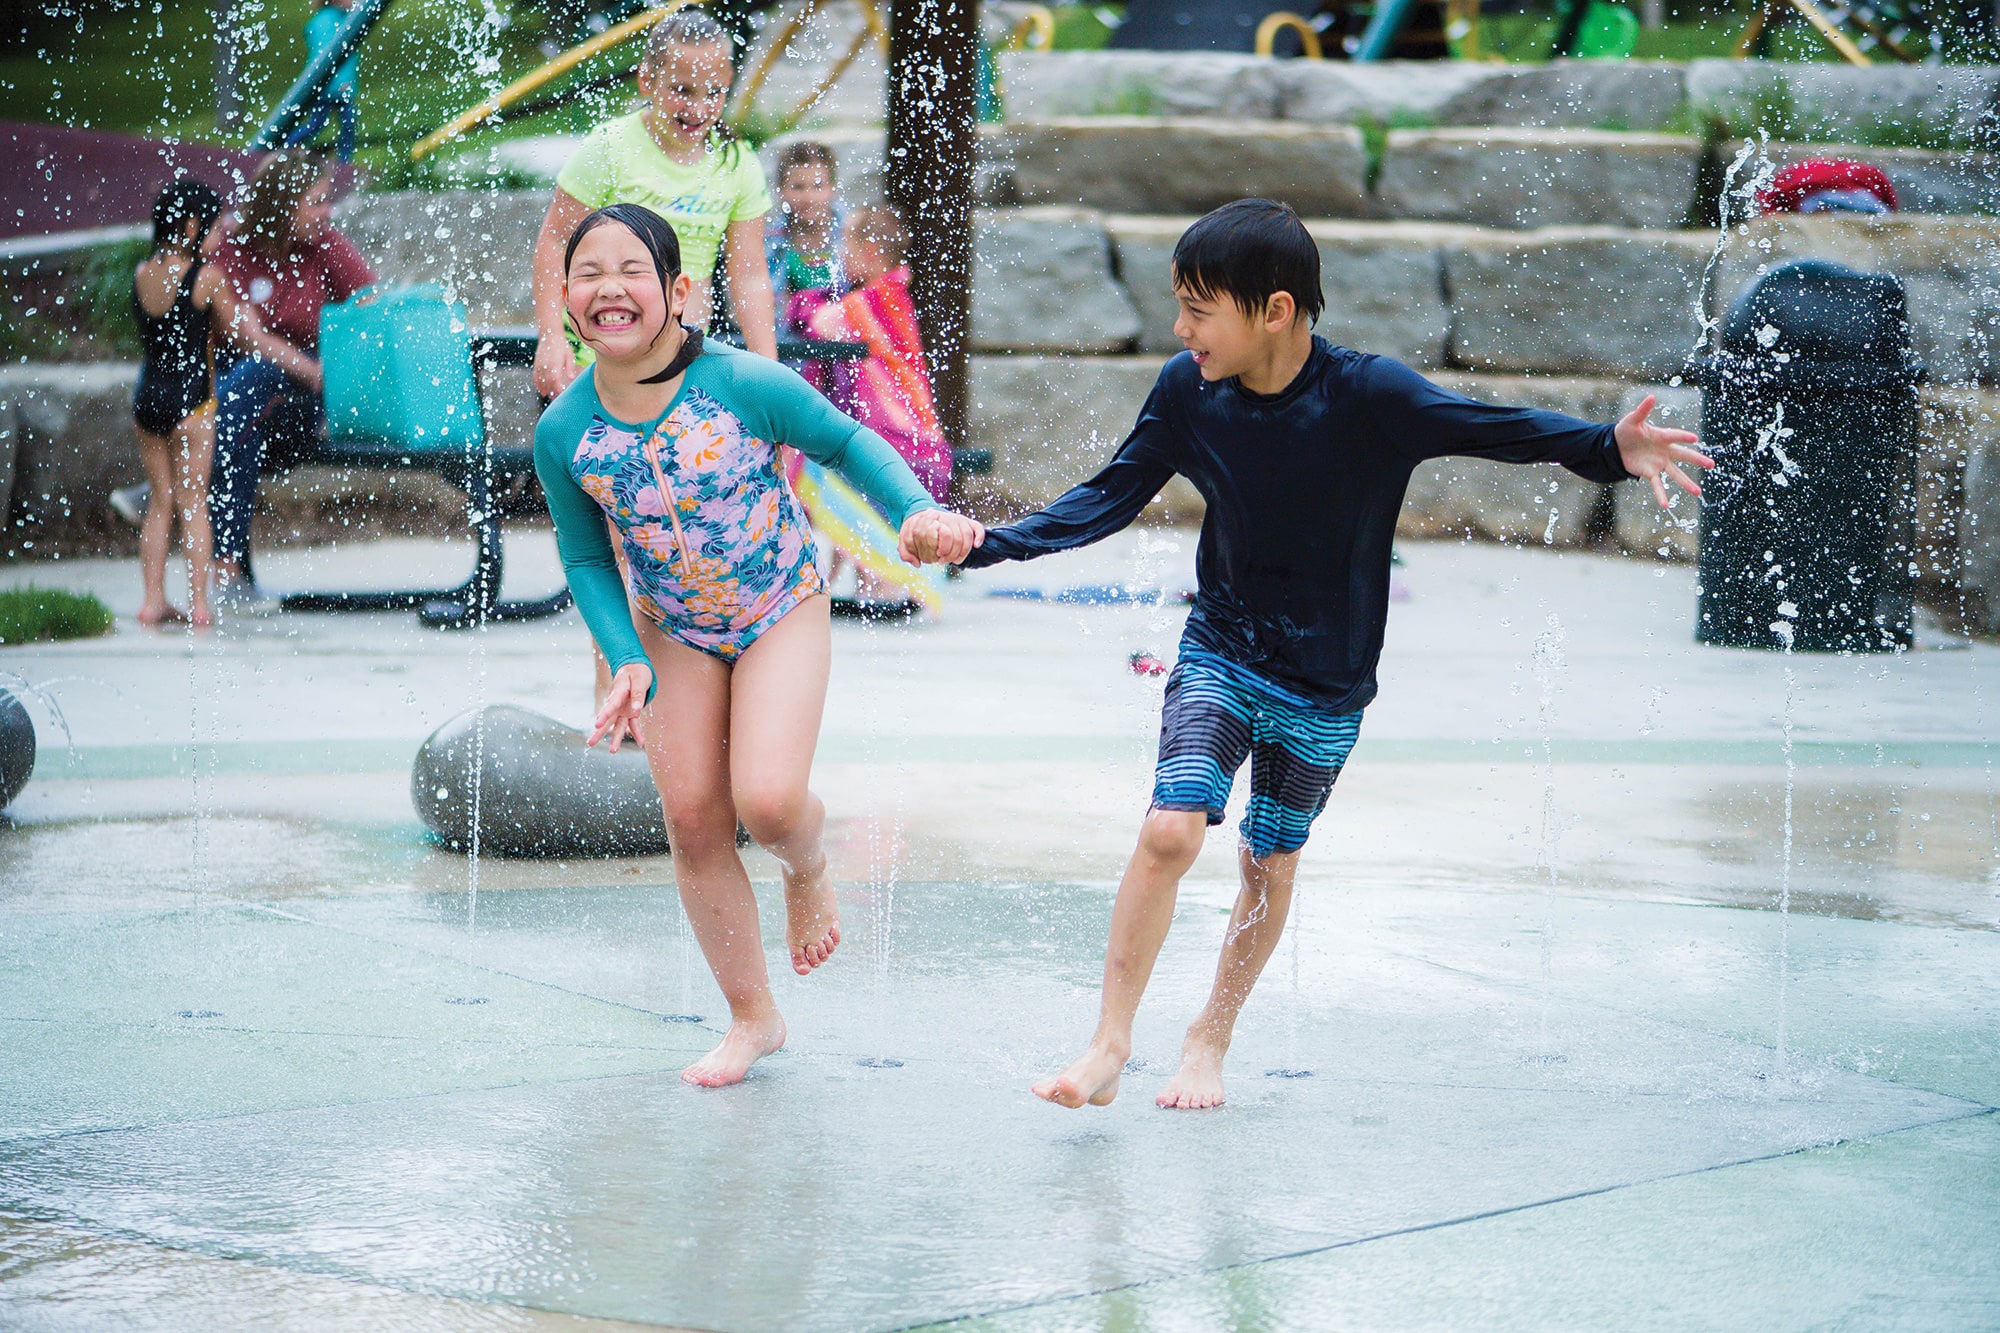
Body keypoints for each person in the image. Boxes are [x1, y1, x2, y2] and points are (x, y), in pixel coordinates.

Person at [958, 199, 1713, 1112]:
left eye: (1199, 308)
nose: (1179, 327)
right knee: (1171, 827)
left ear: (1274, 310)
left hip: (1327, 683)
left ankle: (1210, 1036)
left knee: (1267, 862)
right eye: (1178, 305)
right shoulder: (1186, 391)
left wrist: (1607, 447)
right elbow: (1109, 496)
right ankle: (1110, 1041)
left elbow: (1492, 426)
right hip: (1224, 646)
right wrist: (987, 544)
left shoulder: (1370, 397)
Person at [534, 204, 984, 1087]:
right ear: (567, 298)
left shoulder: (739, 382)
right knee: (694, 815)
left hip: (778, 603)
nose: (610, 287)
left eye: (634, 270)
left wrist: (914, 512)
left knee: (770, 803)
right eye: (589, 272)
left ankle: (807, 866)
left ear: (678, 290)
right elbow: (585, 555)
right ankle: (752, 1016)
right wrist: (623, 654)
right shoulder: (567, 433)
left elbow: (847, 440)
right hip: (672, 628)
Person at [530, 7, 779, 404]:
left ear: (728, 83)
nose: (698, 109)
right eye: (682, 90)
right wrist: (551, 339)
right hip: (592, 366)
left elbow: (748, 275)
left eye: (713, 92)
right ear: (647, 80)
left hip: (681, 373)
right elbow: (555, 242)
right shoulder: (610, 148)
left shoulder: (737, 165)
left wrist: (770, 379)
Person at [128, 180, 323, 627]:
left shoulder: (143, 272)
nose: (220, 237)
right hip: (191, 404)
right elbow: (243, 335)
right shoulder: (206, 278)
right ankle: (200, 606)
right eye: (215, 227)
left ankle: (152, 601)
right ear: (193, 226)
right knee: (194, 504)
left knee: (161, 503)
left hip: (148, 399)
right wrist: (247, 318)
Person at [207, 150, 371, 609]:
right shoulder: (232, 251)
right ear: (281, 205)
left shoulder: (327, 246)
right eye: (316, 202)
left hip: (301, 411)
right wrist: (309, 368)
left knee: (240, 405)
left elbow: (370, 315)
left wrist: (333, 370)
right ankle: (227, 571)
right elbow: (247, 337)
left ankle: (191, 465)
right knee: (247, 399)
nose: (328, 212)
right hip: (252, 403)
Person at [765, 140, 845, 314]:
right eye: (798, 187)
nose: (808, 198)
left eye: (817, 186)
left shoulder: (851, 233)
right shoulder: (771, 241)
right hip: (789, 337)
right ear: (780, 190)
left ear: (833, 188)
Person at [286, 0, 362, 163]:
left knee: (322, 123)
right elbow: (327, 57)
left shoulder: (328, 19)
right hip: (335, 84)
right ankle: (287, 146)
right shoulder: (335, 21)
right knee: (342, 125)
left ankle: (288, 146)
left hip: (328, 84)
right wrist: (339, 84)